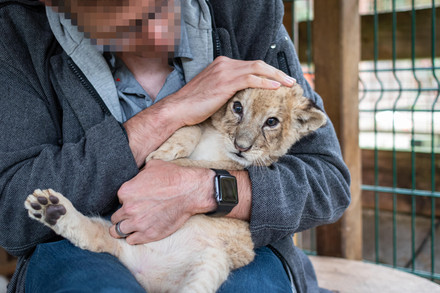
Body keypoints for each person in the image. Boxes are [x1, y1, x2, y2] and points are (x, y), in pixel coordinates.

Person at [0, 0, 351, 292]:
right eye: (130, 26)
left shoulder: (246, 12)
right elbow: (12, 214)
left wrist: (208, 190)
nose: (158, 34)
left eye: (162, 6)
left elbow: (328, 180)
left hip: (218, 239)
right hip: (95, 242)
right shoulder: (17, 36)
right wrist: (168, 112)